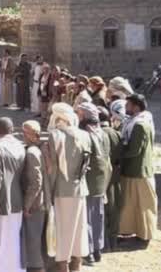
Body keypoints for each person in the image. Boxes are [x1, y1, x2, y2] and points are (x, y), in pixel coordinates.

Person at [46, 103, 91, 271]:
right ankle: (76, 264)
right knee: (79, 227)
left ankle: (63, 264)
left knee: (63, 228)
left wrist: (48, 191)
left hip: (61, 190)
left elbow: (52, 169)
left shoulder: (55, 136)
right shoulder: (84, 135)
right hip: (80, 188)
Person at [118, 94, 156, 250]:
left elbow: (134, 151)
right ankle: (133, 232)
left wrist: (117, 155)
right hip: (132, 171)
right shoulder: (136, 121)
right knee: (132, 205)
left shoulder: (140, 125)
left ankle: (144, 236)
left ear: (136, 106)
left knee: (143, 206)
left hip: (139, 171)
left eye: (128, 105)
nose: (125, 107)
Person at [77, 102, 111, 265]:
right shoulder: (103, 133)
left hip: (89, 181)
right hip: (101, 181)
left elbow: (83, 160)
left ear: (85, 116)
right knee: (98, 215)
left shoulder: (86, 135)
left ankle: (89, 253)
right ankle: (97, 250)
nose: (77, 117)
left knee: (88, 218)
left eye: (79, 114)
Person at [0, 117, 26, 272]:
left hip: (2, 200)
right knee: (13, 237)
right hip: (18, 199)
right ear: (12, 130)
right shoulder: (20, 147)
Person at [22, 120, 47, 272]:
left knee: (33, 241)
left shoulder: (32, 152)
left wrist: (27, 205)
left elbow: (36, 182)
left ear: (31, 135)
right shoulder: (37, 149)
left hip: (35, 204)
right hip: (38, 202)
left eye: (24, 132)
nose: (23, 135)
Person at [103, 100, 124, 251]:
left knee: (103, 209)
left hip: (101, 177)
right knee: (115, 208)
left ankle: (104, 241)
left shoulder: (98, 134)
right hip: (115, 175)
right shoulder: (116, 134)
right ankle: (113, 241)